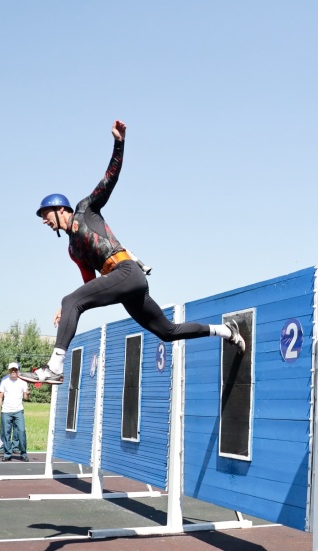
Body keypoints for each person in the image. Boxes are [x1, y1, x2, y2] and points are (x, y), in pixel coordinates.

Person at [21, 120, 245, 386]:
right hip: (125, 286)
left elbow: (110, 179)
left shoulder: (85, 210)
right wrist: (71, 306)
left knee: (70, 300)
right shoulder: (73, 249)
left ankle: (54, 367)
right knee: (168, 332)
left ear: (61, 209)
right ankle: (226, 331)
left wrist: (119, 142)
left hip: (128, 273)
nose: (44, 221)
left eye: (45, 215)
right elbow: (91, 286)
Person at [0, 363, 29, 462]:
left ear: (18, 370)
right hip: (6, 411)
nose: (13, 371)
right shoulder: (4, 381)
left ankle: (23, 453)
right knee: (6, 433)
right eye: (11, 370)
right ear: (9, 371)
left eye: (15, 369)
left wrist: (27, 394)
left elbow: (26, 398)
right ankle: (7, 453)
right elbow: (0, 396)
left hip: (18, 410)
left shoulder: (23, 382)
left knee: (21, 432)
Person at [0, 372, 22, 453]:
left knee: (17, 429)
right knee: (5, 429)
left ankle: (15, 447)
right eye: (14, 369)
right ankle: (3, 447)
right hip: (7, 408)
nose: (15, 371)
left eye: (17, 370)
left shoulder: (22, 379)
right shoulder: (5, 379)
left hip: (17, 408)